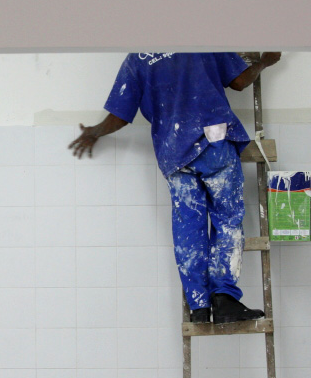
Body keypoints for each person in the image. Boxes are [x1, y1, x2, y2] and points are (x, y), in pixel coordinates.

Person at [69, 52, 282, 324]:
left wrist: (94, 132)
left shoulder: (138, 59)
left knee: (188, 227)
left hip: (174, 151)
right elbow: (239, 82)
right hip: (213, 141)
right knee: (227, 218)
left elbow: (120, 115)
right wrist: (264, 62)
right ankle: (224, 299)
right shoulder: (202, 40)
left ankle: (199, 305)